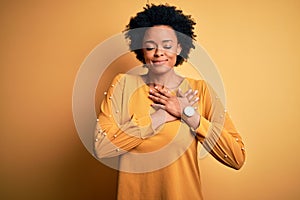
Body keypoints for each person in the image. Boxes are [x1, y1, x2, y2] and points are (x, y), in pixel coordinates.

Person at [94, 4, 245, 200]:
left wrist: (188, 114)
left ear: (179, 48)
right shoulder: (123, 85)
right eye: (150, 46)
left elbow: (236, 157)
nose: (159, 52)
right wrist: (161, 116)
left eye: (167, 45)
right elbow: (102, 147)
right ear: (141, 48)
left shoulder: (200, 90)